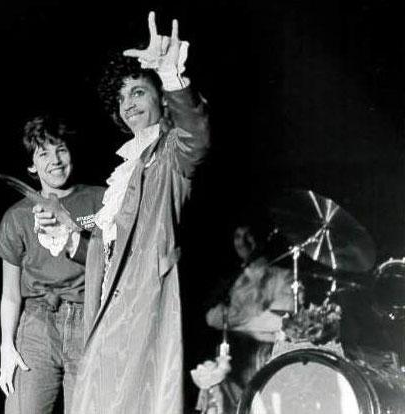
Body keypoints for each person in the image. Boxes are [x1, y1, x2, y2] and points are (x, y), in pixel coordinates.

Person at [34, 11, 209, 413]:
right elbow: (111, 253)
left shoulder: (169, 151)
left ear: (159, 97)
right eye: (121, 96)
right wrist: (66, 234)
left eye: (137, 92)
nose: (127, 104)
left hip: (145, 307)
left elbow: (195, 138)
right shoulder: (129, 165)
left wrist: (172, 77)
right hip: (112, 309)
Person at [0, 115, 105, 413]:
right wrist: (7, 346)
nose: (55, 160)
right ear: (31, 165)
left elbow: (114, 264)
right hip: (37, 327)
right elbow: (10, 294)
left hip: (88, 322)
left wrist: (71, 234)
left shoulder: (100, 200)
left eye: (62, 150)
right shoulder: (17, 216)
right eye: (44, 153)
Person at [200, 221, 293, 412]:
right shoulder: (232, 279)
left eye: (248, 235)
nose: (242, 242)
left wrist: (235, 321)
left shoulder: (283, 277)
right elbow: (212, 318)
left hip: (265, 359)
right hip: (233, 361)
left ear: (260, 238)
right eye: (237, 237)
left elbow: (280, 319)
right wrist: (257, 316)